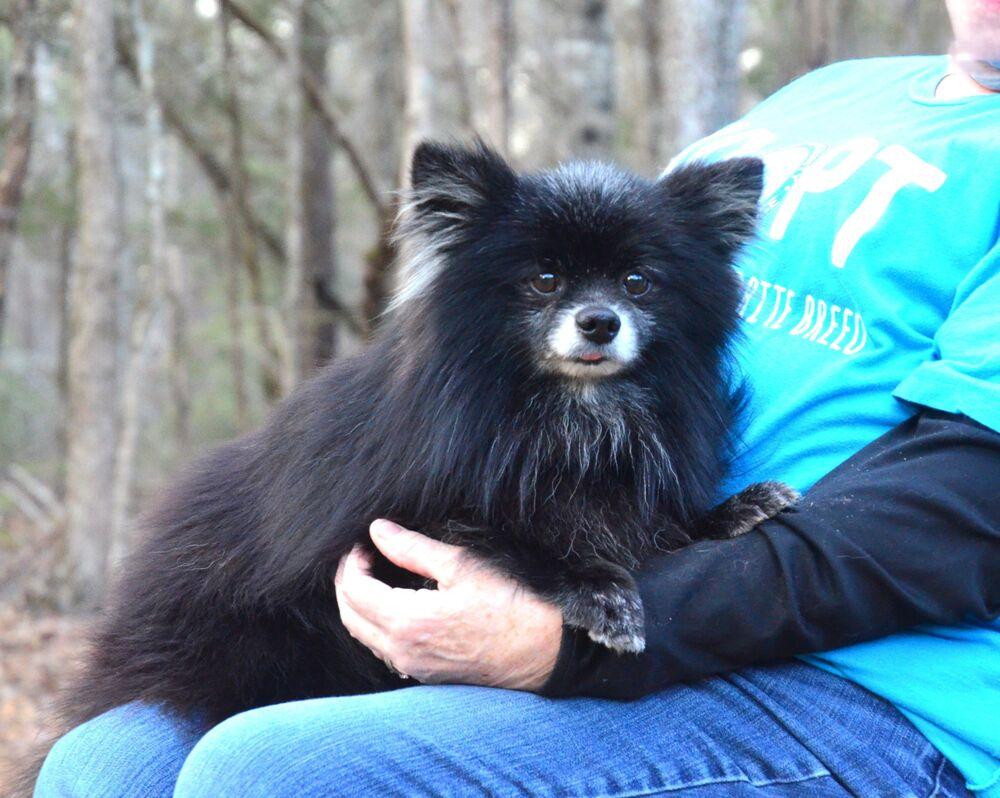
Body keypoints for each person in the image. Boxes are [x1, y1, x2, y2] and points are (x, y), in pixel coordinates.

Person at [35, 3, 999, 796]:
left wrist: (574, 640)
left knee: (276, 774)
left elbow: (962, 512)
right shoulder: (831, 94)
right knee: (107, 766)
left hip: (851, 689)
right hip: (613, 560)